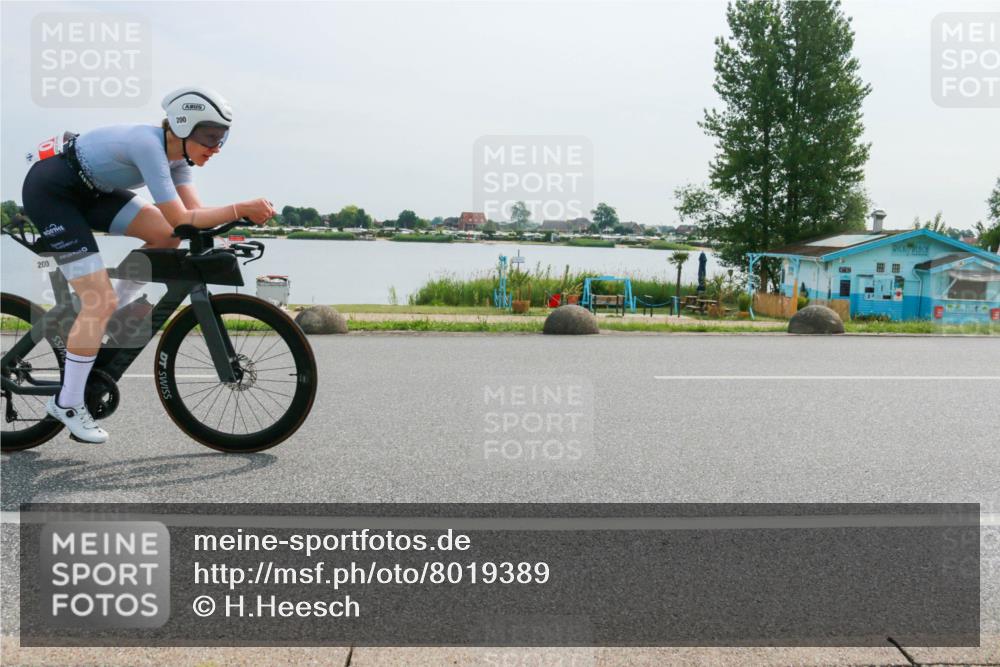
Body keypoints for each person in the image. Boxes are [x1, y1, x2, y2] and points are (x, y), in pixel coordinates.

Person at [20, 86, 276, 443]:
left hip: (91, 192)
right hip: (52, 191)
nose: (216, 147)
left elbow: (188, 222)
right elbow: (184, 214)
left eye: (223, 138)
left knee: (167, 234)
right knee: (99, 300)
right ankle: (68, 402)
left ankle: (112, 313)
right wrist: (239, 208)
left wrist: (227, 230)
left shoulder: (179, 163)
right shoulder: (148, 145)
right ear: (183, 127)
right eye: (209, 137)